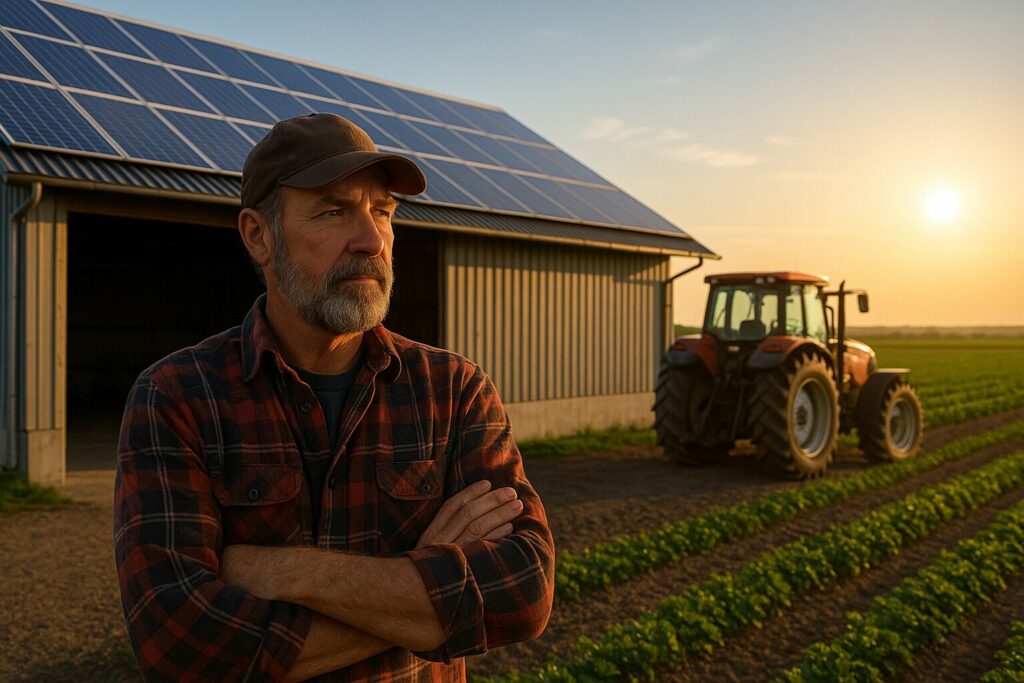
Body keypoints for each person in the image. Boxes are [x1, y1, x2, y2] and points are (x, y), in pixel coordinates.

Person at [113, 113, 555, 682]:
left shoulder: (454, 389)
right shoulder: (177, 399)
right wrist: (426, 580)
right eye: (333, 211)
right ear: (258, 234)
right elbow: (180, 649)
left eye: (383, 213)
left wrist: (286, 571)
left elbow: (523, 591)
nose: (372, 240)